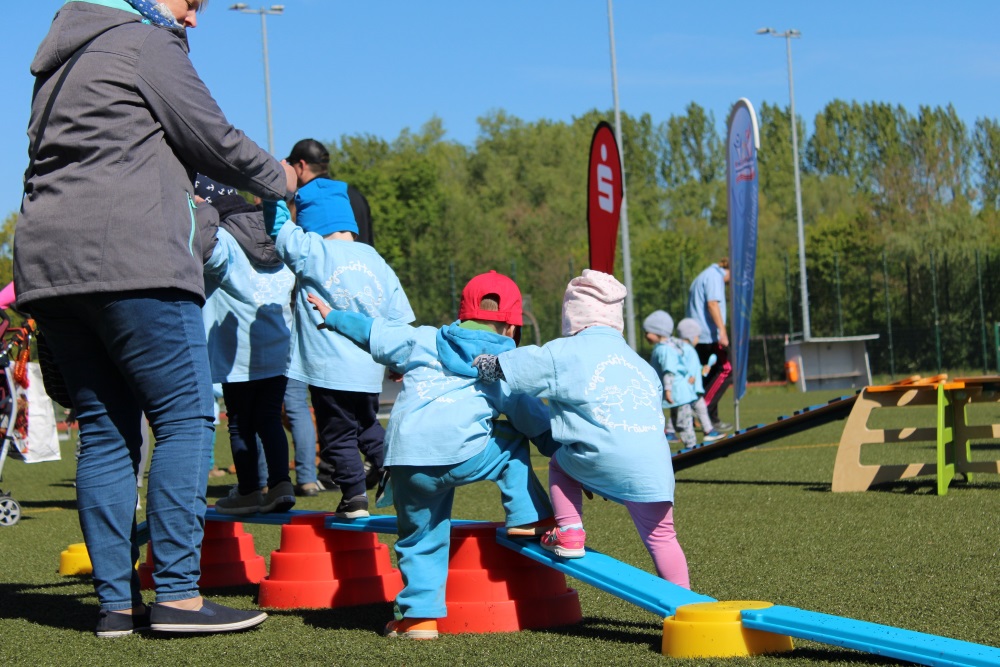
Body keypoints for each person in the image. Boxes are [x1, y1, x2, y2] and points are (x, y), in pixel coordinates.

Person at [14, 0, 295, 637]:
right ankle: (176, 595)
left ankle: (115, 605)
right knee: (186, 418)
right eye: (190, 3)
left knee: (108, 432)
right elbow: (214, 138)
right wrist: (283, 179)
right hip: (132, 257)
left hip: (49, 266)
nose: (194, 18)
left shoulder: (55, 62)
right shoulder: (144, 43)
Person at [306, 270, 556, 640]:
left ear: (462, 314)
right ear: (511, 329)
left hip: (406, 458)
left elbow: (374, 331)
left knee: (418, 535)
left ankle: (418, 618)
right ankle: (528, 516)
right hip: (462, 452)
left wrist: (334, 317)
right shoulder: (503, 363)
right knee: (512, 440)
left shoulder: (422, 339)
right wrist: (562, 450)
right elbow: (530, 417)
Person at [474, 270, 690, 588]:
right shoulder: (641, 365)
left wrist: (486, 364)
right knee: (662, 537)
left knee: (561, 463)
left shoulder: (566, 352)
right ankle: (687, 606)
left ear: (573, 318)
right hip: (656, 470)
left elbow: (523, 364)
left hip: (599, 458)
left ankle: (570, 530)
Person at [263, 190, 413, 519]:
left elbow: (278, 226)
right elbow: (399, 317)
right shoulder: (375, 260)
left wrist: (271, 188)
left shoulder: (314, 250)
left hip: (328, 369)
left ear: (310, 223)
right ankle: (399, 472)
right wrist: (397, 360)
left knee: (338, 434)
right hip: (368, 369)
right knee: (367, 425)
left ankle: (354, 497)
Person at [197, 177, 297, 515]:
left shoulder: (222, 237)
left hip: (235, 345)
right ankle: (281, 482)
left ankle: (251, 488)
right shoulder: (277, 232)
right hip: (278, 340)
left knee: (239, 419)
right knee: (268, 414)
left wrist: (197, 213)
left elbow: (206, 258)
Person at [283, 137, 375, 495]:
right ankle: (360, 464)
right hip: (362, 306)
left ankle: (338, 471)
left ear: (300, 166)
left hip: (321, 309)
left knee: (327, 399)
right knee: (360, 403)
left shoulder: (307, 199)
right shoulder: (352, 195)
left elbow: (288, 244)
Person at [286, 138, 374, 247]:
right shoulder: (355, 195)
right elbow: (369, 242)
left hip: (327, 263)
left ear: (301, 166)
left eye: (291, 164)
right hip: (363, 262)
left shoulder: (302, 199)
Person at [686, 258, 732, 432]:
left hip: (698, 335)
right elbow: (713, 304)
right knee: (727, 369)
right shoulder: (714, 277)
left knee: (709, 375)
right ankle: (702, 409)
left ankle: (712, 419)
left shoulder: (704, 274)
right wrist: (723, 331)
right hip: (708, 336)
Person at [643, 310, 697, 449]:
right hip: (676, 393)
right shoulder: (664, 347)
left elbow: (669, 371)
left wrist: (668, 390)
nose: (645, 336)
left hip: (677, 391)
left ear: (658, 332)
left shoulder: (664, 350)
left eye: (647, 332)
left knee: (684, 423)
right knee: (678, 422)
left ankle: (692, 447)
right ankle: (689, 446)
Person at [676, 318, 724, 444]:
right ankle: (670, 431)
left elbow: (694, 367)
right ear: (691, 336)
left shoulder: (684, 349)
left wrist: (703, 368)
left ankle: (708, 431)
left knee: (701, 408)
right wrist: (691, 376)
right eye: (697, 336)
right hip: (689, 389)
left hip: (694, 390)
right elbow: (686, 368)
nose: (698, 339)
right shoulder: (687, 350)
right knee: (679, 412)